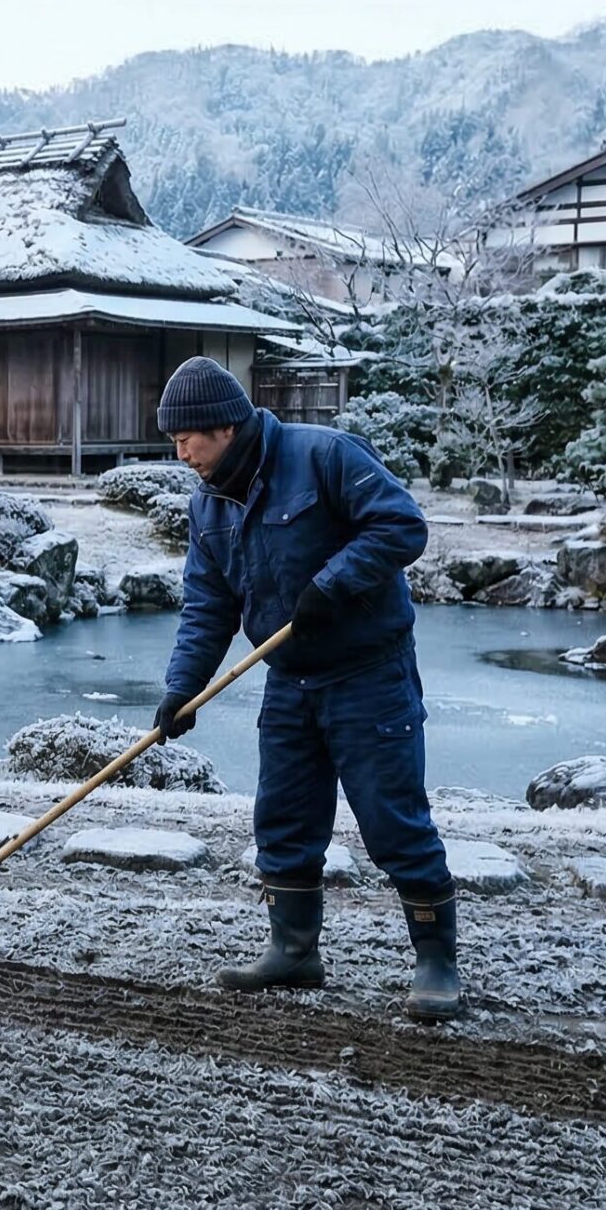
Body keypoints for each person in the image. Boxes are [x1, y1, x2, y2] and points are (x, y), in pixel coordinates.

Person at [150, 356, 461, 1021]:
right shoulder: (208, 506)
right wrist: (182, 689)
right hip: (289, 678)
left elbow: (402, 525)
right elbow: (208, 606)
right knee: (284, 820)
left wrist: (333, 584)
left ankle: (437, 961)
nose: (180, 454)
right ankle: (294, 950)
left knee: (393, 821)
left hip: (368, 672)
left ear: (224, 426)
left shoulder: (324, 455)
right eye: (174, 441)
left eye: (186, 439)